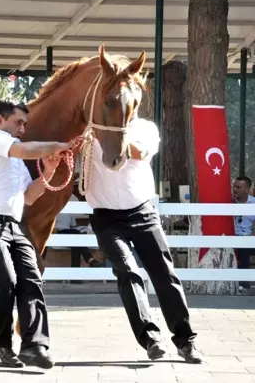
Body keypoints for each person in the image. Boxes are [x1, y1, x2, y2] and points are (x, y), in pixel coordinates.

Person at [0, 100, 75, 369]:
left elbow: (29, 197)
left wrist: (47, 171)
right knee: (5, 279)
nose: (23, 128)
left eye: (25, 124)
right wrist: (58, 146)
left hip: (12, 223)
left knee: (32, 276)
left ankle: (35, 346)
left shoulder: (15, 159)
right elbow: (23, 150)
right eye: (18, 122)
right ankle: (2, 342)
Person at [85, 116, 203, 363]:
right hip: (106, 218)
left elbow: (139, 152)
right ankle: (151, 339)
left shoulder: (145, 128)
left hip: (142, 213)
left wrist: (106, 136)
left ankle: (186, 341)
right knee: (128, 272)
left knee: (165, 274)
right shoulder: (89, 131)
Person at [232, 175, 254, 292]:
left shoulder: (253, 203)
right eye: (234, 186)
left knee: (244, 248)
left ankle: (244, 284)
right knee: (241, 248)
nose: (235, 189)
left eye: (238, 187)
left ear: (247, 190)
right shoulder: (228, 202)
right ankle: (242, 284)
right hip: (231, 237)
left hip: (248, 237)